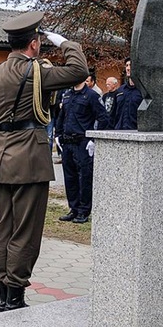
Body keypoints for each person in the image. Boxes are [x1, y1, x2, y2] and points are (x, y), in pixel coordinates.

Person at [0, 11, 89, 312]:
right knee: (25, 232)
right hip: (30, 161)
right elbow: (79, 72)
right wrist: (66, 43)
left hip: (2, 161)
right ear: (35, 44)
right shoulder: (38, 73)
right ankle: (14, 298)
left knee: (5, 228)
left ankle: (3, 293)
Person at [56, 78, 109, 224]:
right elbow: (62, 117)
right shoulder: (67, 95)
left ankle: (84, 211)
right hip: (67, 142)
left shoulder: (91, 96)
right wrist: (58, 136)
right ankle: (73, 208)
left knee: (84, 178)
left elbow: (103, 118)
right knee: (70, 177)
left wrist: (94, 139)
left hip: (82, 143)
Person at [113, 57, 142, 130]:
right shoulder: (120, 90)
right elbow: (113, 113)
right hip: (119, 131)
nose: (128, 68)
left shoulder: (142, 91)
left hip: (135, 132)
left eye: (130, 65)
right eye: (127, 65)